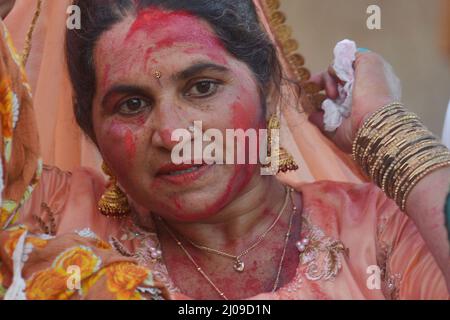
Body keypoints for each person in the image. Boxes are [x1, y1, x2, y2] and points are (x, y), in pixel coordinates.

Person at [0, 0, 449, 300]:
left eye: (202, 87)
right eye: (131, 104)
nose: (173, 135)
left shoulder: (377, 231)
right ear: (91, 129)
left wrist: (386, 129)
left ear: (268, 90)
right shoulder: (50, 214)